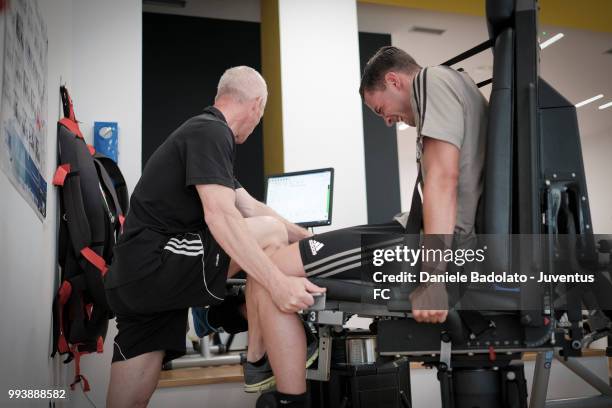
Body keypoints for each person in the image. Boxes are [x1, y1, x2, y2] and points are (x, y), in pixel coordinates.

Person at [244, 46, 488, 407]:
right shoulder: (459, 84)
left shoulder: (432, 79)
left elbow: (441, 179)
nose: (387, 120)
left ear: (394, 80)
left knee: (269, 270)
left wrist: (435, 279)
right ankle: (267, 356)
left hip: (431, 246)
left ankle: (278, 383)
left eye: (380, 109)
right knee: (274, 262)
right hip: (412, 233)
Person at [104, 65, 325, 408]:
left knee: (129, 401)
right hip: (157, 260)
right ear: (256, 106)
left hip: (135, 279)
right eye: (261, 114)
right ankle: (257, 355)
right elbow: (222, 215)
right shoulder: (211, 132)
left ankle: (248, 339)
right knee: (270, 235)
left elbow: (251, 208)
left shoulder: (200, 135)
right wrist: (280, 284)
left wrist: (307, 237)